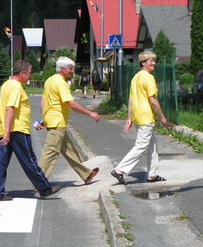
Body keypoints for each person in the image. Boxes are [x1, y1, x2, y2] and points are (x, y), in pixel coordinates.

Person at [0, 60, 60, 201]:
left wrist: (6, 131)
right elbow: (10, 108)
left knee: (1, 161)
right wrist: (9, 132)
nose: (29, 75)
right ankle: (44, 188)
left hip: (6, 129)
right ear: (22, 73)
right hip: (17, 130)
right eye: (29, 73)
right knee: (29, 160)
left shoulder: (6, 84)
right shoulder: (16, 87)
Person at [38, 56, 100, 185]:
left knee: (69, 149)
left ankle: (86, 174)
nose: (72, 71)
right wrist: (90, 113)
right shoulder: (61, 82)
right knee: (51, 151)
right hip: (57, 121)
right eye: (70, 68)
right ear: (62, 69)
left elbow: (43, 101)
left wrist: (43, 118)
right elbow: (71, 104)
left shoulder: (49, 80)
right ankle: (38, 181)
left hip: (52, 120)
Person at [111, 51, 168, 185]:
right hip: (145, 116)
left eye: (154, 60)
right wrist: (162, 117)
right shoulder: (148, 78)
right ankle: (119, 170)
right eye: (151, 61)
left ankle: (153, 175)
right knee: (141, 146)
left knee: (152, 146)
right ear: (143, 63)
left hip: (138, 115)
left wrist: (129, 117)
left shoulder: (135, 77)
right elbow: (153, 100)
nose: (154, 63)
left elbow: (130, 99)